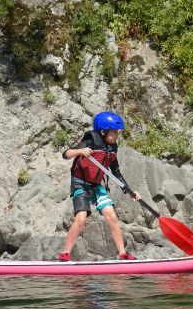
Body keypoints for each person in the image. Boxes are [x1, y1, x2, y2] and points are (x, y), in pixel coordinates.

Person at [59, 111, 141, 262]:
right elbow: (66, 154)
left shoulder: (112, 148)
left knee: (112, 216)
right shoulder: (90, 140)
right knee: (81, 218)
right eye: (114, 132)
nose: (117, 135)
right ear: (103, 132)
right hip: (80, 184)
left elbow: (115, 172)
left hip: (96, 186)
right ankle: (65, 254)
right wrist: (80, 150)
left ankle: (123, 254)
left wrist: (130, 191)